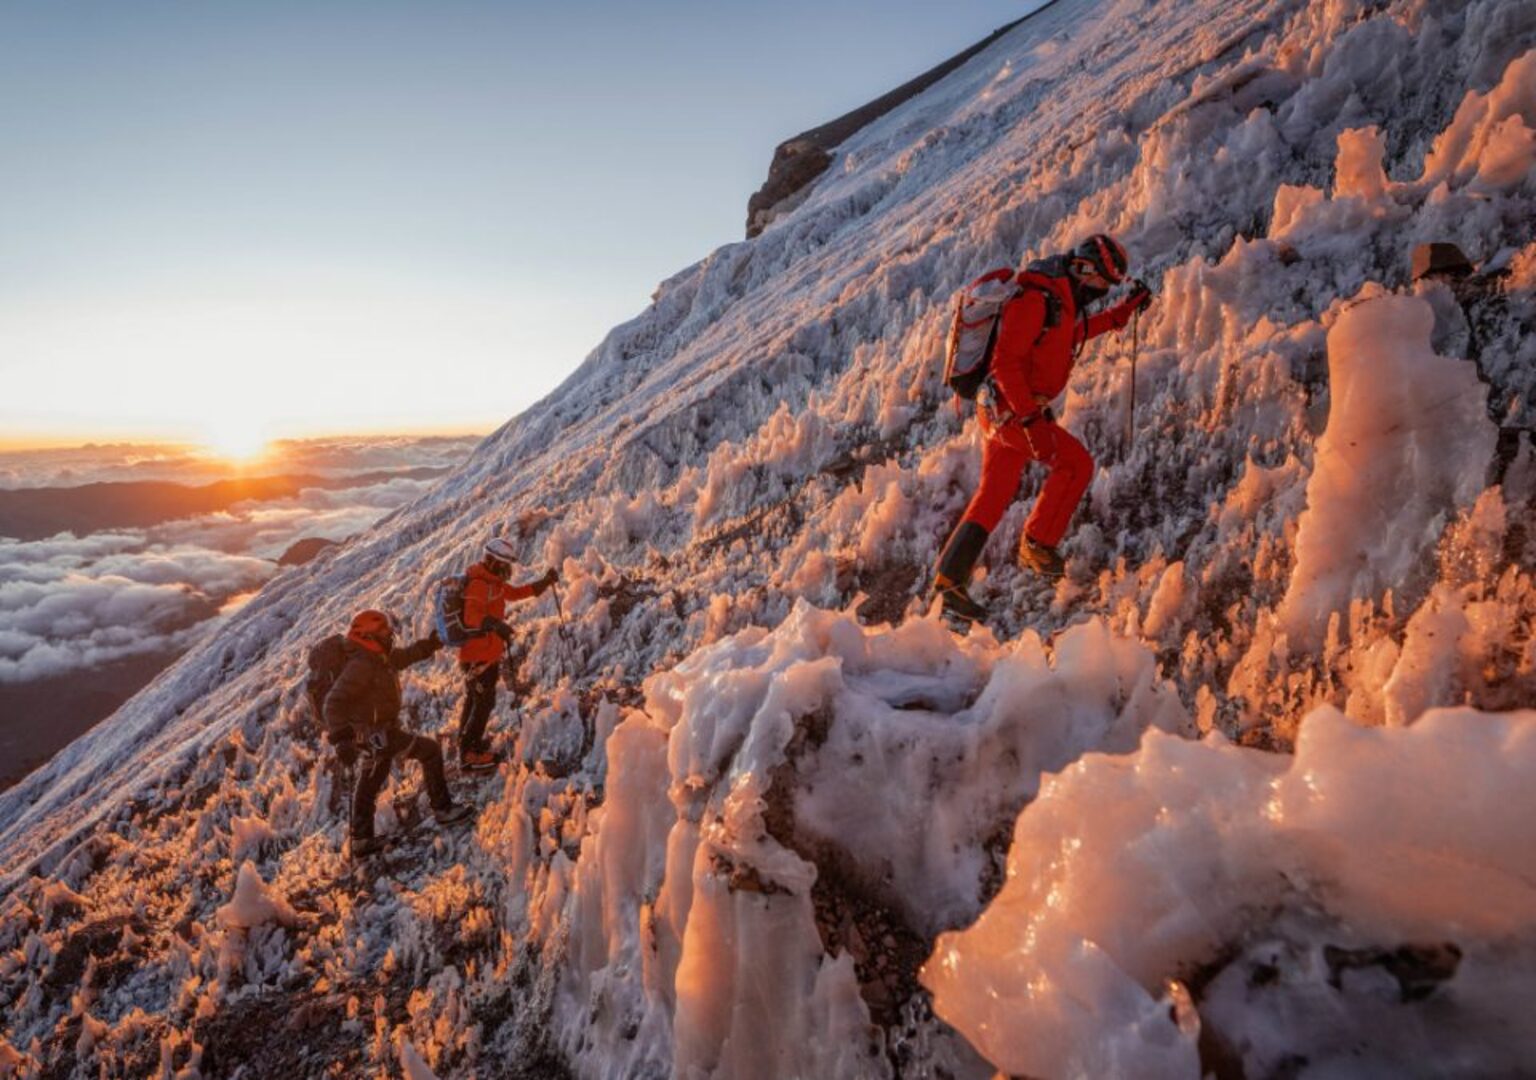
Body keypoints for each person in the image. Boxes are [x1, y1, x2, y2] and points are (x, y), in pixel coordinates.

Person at [933, 234, 1153, 624]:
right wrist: (1031, 420)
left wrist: (1121, 314)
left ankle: (948, 585)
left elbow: (1068, 336)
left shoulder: (1061, 300)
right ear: (1085, 268)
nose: (1101, 292)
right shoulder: (1035, 298)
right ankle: (1038, 544)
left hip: (1004, 412)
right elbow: (1005, 363)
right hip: (1013, 412)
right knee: (1075, 465)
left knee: (994, 493)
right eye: (1102, 282)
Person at [323, 609, 472, 857]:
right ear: (369, 635)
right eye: (383, 631)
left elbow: (405, 656)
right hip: (375, 735)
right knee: (430, 751)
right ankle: (443, 809)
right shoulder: (362, 664)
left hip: (375, 734)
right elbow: (333, 702)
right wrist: (341, 739)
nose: (389, 634)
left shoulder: (377, 656)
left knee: (371, 779)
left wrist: (430, 644)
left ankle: (361, 838)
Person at [456, 537, 559, 771]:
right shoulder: (479, 584)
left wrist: (544, 582)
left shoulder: (493, 583)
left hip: (484, 654)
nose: (508, 570)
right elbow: (471, 616)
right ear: (495, 562)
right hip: (477, 656)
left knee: (475, 700)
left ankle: (467, 744)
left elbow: (516, 593)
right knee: (482, 702)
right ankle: (468, 754)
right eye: (505, 565)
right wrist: (495, 624)